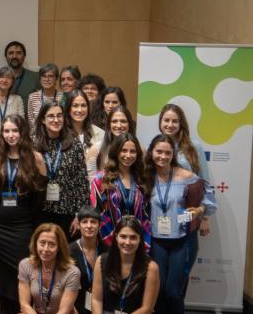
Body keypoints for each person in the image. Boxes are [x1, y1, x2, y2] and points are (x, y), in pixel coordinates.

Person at [0, 114, 47, 314]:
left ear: (23, 132)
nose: (10, 135)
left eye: (15, 130)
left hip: (20, 226)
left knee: (21, 272)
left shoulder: (35, 158)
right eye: (6, 131)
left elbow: (39, 200)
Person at [144, 134, 214, 314]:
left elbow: (208, 198)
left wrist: (199, 211)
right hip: (156, 241)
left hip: (181, 241)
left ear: (173, 154)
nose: (163, 156)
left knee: (174, 292)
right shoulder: (145, 177)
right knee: (158, 291)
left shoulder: (187, 177)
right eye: (159, 151)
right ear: (151, 152)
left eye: (168, 153)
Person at [158, 103, 217, 288]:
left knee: (178, 281)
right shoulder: (156, 144)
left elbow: (204, 183)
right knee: (160, 280)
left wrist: (204, 215)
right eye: (166, 120)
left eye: (175, 121)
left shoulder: (193, 147)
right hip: (160, 217)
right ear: (160, 122)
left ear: (181, 123)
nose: (170, 124)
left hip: (186, 216)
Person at [34, 102, 89, 240]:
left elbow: (82, 182)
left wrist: (79, 215)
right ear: (42, 119)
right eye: (51, 116)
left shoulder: (74, 144)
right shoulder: (34, 146)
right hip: (41, 211)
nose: (56, 120)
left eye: (59, 116)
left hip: (68, 213)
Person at [90, 133, 151, 250]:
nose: (128, 155)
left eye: (132, 151)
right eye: (123, 150)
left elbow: (146, 215)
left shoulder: (141, 180)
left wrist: (137, 241)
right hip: (108, 242)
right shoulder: (101, 179)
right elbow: (96, 213)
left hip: (135, 243)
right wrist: (114, 241)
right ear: (115, 152)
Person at [91, 216, 160, 314]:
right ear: (116, 237)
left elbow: (147, 308)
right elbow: (96, 300)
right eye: (123, 236)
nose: (127, 242)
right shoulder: (101, 261)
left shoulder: (151, 268)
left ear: (140, 239)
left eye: (133, 237)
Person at [17, 223, 80, 314]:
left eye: (51, 244)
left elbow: (64, 311)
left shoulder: (73, 272)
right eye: (42, 243)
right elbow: (24, 304)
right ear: (35, 243)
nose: (46, 249)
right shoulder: (25, 265)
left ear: (59, 247)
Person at [68, 206, 106, 314]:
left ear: (100, 225)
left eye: (93, 222)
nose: (89, 226)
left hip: (102, 307)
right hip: (74, 308)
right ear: (78, 225)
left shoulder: (107, 251)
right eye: (84, 222)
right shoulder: (68, 252)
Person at [0, 41, 40, 109]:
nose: (14, 56)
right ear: (6, 56)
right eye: (11, 53)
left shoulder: (35, 77)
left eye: (19, 53)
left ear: (24, 56)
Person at [65, 90, 104, 179]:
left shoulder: (100, 133)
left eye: (83, 105)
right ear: (68, 108)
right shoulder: (61, 133)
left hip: (94, 186)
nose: (80, 110)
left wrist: (96, 179)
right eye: (75, 106)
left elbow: (104, 167)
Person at [26, 64, 63, 138]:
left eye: (51, 76)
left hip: (58, 137)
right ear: (40, 79)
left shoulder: (62, 97)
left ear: (56, 79)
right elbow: (31, 123)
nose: (47, 79)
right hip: (38, 138)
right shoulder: (32, 97)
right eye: (44, 76)